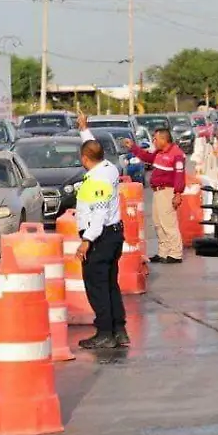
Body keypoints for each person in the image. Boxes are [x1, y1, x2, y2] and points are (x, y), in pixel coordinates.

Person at [76, 113, 128, 349]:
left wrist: (87, 240)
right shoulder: (110, 168)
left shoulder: (97, 181)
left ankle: (105, 333)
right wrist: (84, 129)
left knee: (97, 286)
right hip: (114, 234)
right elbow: (93, 147)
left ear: (85, 159)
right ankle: (119, 330)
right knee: (110, 284)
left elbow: (98, 216)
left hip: (101, 237)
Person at [125, 126, 185, 264]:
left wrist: (177, 194)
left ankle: (175, 253)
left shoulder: (176, 154)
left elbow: (179, 176)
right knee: (158, 223)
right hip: (158, 192)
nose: (154, 141)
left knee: (168, 224)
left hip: (167, 192)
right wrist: (133, 148)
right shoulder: (159, 152)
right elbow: (147, 157)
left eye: (156, 139)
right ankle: (163, 252)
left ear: (164, 139)